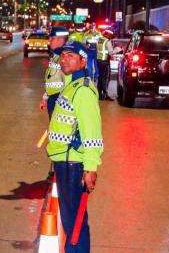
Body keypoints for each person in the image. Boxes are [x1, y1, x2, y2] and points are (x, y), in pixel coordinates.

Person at [46, 40, 104, 253]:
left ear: (83, 61)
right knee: (71, 220)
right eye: (63, 56)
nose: (64, 60)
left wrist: (90, 167)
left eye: (71, 56)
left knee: (75, 223)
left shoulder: (83, 91)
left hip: (73, 164)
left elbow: (92, 133)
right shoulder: (71, 85)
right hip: (64, 160)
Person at [40, 26, 69, 119]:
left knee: (57, 129)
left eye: (52, 38)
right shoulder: (56, 56)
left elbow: (68, 82)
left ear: (61, 40)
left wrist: (62, 102)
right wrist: (45, 98)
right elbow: (51, 79)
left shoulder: (65, 58)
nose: (49, 40)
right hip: (53, 97)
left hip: (60, 99)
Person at [97, 30, 116, 100]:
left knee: (100, 78)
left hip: (99, 61)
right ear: (108, 35)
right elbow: (111, 53)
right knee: (106, 78)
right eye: (110, 35)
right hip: (105, 61)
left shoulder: (99, 40)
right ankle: (105, 95)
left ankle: (99, 95)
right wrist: (117, 50)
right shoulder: (107, 41)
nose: (111, 37)